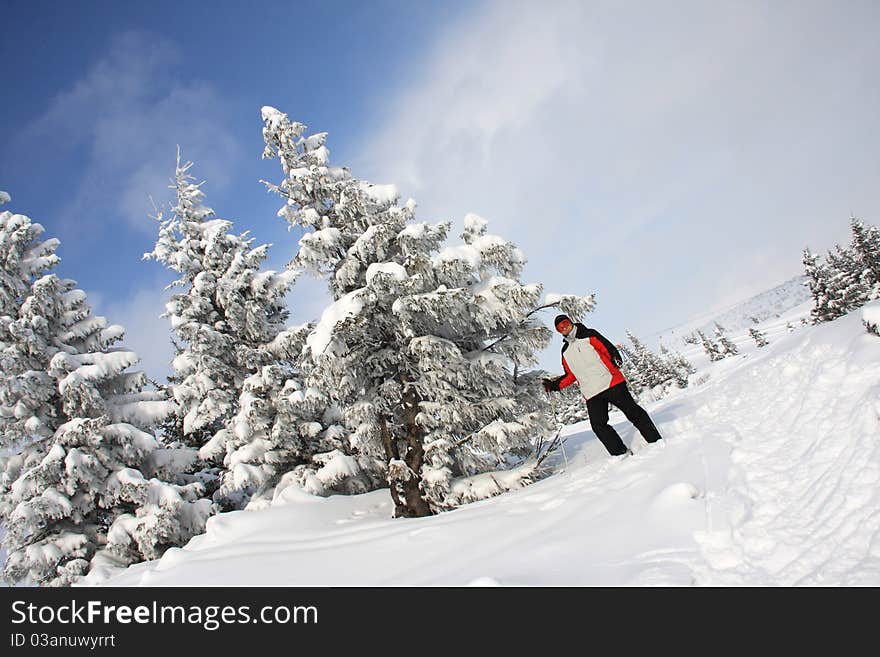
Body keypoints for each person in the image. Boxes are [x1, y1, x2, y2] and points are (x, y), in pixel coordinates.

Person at [542, 314, 663, 456]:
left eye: (565, 323)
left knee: (633, 412)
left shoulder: (589, 335)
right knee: (598, 426)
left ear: (570, 322)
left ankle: (655, 440)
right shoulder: (565, 352)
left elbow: (608, 348)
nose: (564, 328)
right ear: (559, 331)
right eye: (560, 328)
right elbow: (571, 375)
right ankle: (620, 453)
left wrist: (615, 358)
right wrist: (554, 385)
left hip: (611, 382)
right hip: (592, 393)